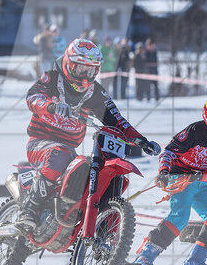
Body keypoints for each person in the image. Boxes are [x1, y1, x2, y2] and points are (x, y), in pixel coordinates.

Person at [16, 38, 159, 232]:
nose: (85, 76)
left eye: (91, 71)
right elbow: (32, 97)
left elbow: (116, 119)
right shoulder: (51, 78)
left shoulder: (95, 92)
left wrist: (140, 140)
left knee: (87, 169)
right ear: (68, 64)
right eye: (81, 69)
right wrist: (51, 106)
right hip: (40, 142)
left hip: (69, 149)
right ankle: (30, 210)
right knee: (60, 153)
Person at [125, 89, 207, 265]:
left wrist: (201, 176)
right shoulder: (195, 130)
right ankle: (145, 256)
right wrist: (164, 172)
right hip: (179, 180)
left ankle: (195, 261)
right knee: (180, 217)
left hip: (202, 184)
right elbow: (168, 153)